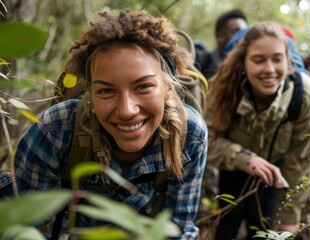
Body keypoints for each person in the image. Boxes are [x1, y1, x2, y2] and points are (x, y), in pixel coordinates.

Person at [0, 9, 207, 239]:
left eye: (143, 86)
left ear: (168, 89)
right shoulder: (55, 130)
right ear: (90, 94)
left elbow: (178, 230)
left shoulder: (190, 135)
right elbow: (22, 226)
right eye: (106, 90)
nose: (127, 110)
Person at [205, 22, 310, 239]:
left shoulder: (303, 96)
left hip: (274, 175)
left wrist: (289, 218)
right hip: (232, 166)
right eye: (258, 60)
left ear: (288, 60)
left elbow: (301, 161)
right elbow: (206, 141)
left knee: (263, 230)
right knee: (225, 226)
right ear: (244, 62)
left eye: (277, 59)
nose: (269, 69)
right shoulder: (223, 86)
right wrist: (244, 159)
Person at [194, 8, 248, 79]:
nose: (242, 36)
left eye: (246, 32)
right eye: (237, 31)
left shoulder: (249, 68)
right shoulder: (200, 60)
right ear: (219, 36)